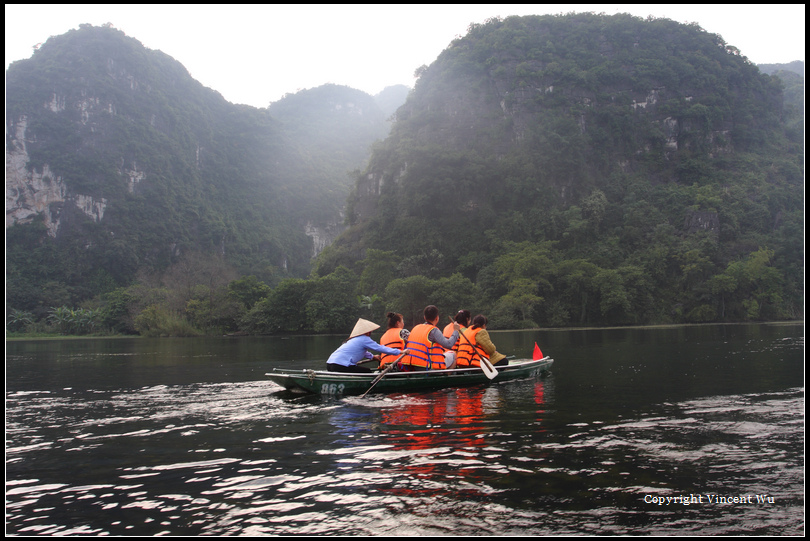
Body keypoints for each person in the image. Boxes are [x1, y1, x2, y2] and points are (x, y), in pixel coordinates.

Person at [326, 318, 408, 373]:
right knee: (367, 372)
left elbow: (363, 352)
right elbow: (380, 348)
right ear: (368, 332)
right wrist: (400, 352)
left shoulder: (354, 339)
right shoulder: (364, 339)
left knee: (362, 370)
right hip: (340, 365)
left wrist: (372, 357)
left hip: (330, 364)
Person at [401, 305, 459, 371]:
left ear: (424, 317)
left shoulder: (416, 328)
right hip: (427, 366)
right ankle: (444, 378)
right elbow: (449, 344)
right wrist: (456, 331)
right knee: (453, 354)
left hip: (413, 365)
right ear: (437, 318)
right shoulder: (434, 330)